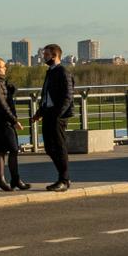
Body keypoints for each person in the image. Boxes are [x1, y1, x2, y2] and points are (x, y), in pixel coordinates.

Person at [0, 57, 28, 192]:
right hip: (3, 121)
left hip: (0, 120)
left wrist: (10, 90)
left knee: (1, 150)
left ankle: (2, 180)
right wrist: (14, 121)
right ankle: (11, 179)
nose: (5, 69)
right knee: (12, 150)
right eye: (2, 67)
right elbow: (2, 105)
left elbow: (4, 99)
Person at [35, 44, 74, 191]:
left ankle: (64, 180)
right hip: (48, 113)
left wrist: (58, 114)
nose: (43, 57)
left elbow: (68, 96)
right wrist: (39, 113)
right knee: (49, 147)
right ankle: (63, 177)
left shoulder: (62, 72)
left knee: (59, 147)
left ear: (54, 55)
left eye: (46, 55)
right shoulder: (50, 72)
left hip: (58, 115)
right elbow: (46, 95)